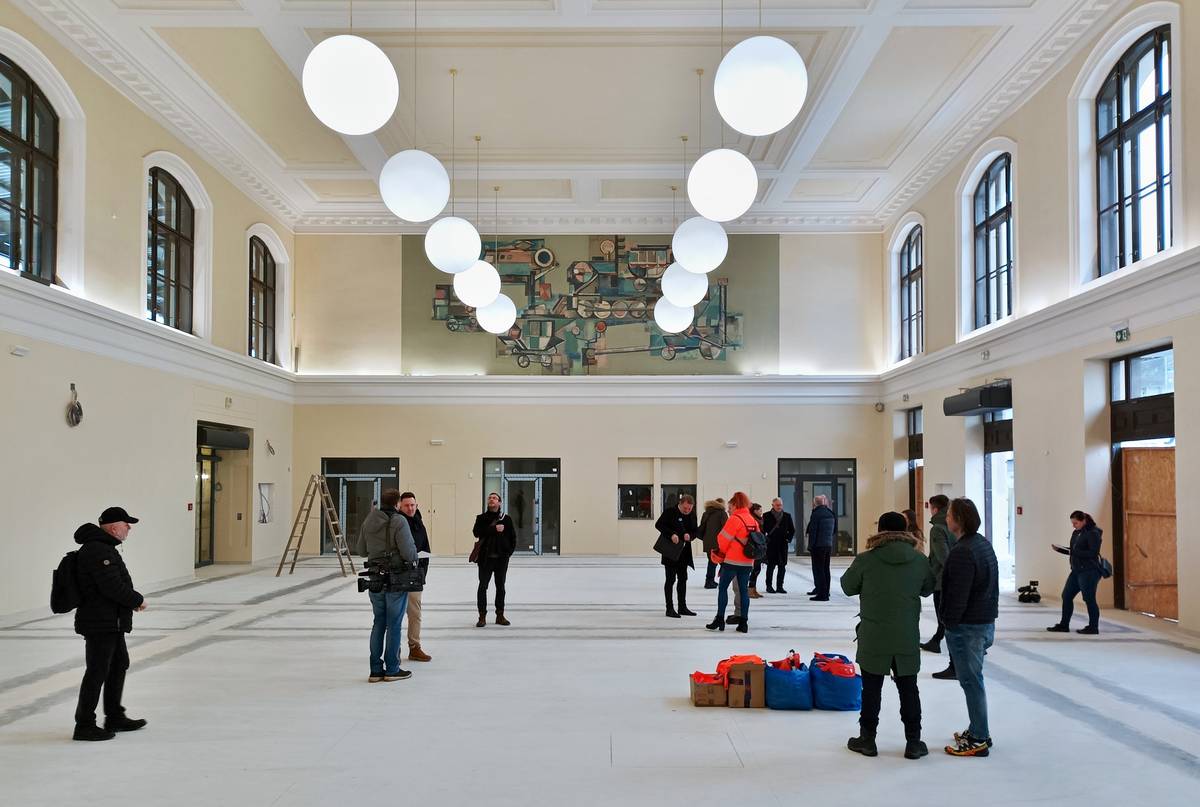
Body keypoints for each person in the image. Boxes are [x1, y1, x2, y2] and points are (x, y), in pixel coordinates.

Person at [841, 512, 935, 760]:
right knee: (909, 688)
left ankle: (867, 740)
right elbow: (928, 588)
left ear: (880, 530)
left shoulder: (866, 559)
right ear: (905, 531)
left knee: (871, 689)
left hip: (874, 635)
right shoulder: (919, 559)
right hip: (906, 635)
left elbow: (847, 586)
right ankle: (913, 742)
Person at [72, 507, 148, 741]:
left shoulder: (104, 548)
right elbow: (111, 586)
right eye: (126, 524)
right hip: (100, 622)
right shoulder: (98, 550)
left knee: (118, 665)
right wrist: (136, 600)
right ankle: (84, 724)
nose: (129, 528)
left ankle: (115, 716)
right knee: (97, 671)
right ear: (114, 527)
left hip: (110, 621)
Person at [940, 497, 999, 757]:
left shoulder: (963, 551)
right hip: (983, 621)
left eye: (949, 515)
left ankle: (978, 738)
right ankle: (978, 729)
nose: (946, 518)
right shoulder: (981, 544)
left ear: (959, 519)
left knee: (971, 681)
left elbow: (958, 593)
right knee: (973, 680)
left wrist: (949, 622)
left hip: (968, 627)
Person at [361, 489, 418, 683]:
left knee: (379, 622)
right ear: (397, 504)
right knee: (394, 624)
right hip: (395, 579)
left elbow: (361, 550)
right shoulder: (399, 521)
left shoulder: (369, 520)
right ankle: (392, 669)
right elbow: (409, 553)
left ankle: (375, 670)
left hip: (374, 578)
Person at [1047, 511, 1104, 635]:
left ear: (1084, 521)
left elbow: (1092, 553)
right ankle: (1064, 625)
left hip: (1089, 571)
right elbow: (1073, 551)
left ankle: (1093, 627)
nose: (1073, 525)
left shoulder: (1093, 533)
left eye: (1076, 523)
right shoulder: (1076, 532)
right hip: (1076, 570)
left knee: (1089, 599)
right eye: (1072, 523)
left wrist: (1073, 552)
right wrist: (1060, 549)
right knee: (1066, 596)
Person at [706, 492, 756, 634]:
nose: (729, 509)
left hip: (732, 561)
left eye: (730, 506)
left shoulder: (734, 519)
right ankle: (743, 622)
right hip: (747, 562)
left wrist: (720, 554)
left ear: (735, 505)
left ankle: (719, 619)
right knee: (743, 591)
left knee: (722, 588)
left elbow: (722, 539)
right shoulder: (751, 519)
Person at [922, 496, 957, 672]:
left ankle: (942, 646)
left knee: (942, 614)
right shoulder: (956, 523)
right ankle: (936, 639)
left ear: (935, 509)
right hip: (955, 577)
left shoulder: (937, 528)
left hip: (943, 579)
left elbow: (943, 556)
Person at [473, 492, 516, 627]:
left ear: (499, 502)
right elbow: (476, 532)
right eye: (490, 498)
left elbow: (513, 538)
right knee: (482, 587)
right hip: (485, 559)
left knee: (500, 587)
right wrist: (493, 529)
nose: (491, 500)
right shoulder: (481, 518)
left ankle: (500, 615)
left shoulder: (506, 519)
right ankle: (482, 616)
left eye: (495, 498)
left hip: (501, 560)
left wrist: (508, 553)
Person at [398, 492, 432, 662]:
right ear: (400, 506)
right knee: (395, 614)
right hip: (398, 575)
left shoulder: (419, 524)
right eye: (407, 505)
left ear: (416, 506)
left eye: (413, 505)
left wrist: (422, 572)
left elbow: (426, 549)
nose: (410, 508)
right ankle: (394, 649)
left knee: (415, 613)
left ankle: (414, 647)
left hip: (414, 576)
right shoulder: (396, 523)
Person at [655, 494, 699, 618]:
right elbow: (659, 525)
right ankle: (669, 608)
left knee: (683, 579)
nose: (687, 511)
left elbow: (695, 531)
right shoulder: (670, 512)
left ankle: (682, 607)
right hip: (670, 551)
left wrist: (690, 536)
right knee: (670, 580)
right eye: (685, 508)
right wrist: (671, 534)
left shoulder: (692, 514)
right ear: (680, 504)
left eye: (689, 508)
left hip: (684, 552)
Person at [806, 495, 837, 601]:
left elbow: (813, 531)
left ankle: (822, 594)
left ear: (815, 503)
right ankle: (826, 591)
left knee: (819, 569)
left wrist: (811, 546)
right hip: (828, 545)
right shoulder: (830, 513)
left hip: (818, 546)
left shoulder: (816, 514)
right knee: (825, 569)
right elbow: (834, 530)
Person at [762, 498, 796, 594]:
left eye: (780, 505)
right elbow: (762, 530)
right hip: (771, 545)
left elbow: (792, 530)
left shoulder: (787, 516)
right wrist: (765, 540)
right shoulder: (766, 515)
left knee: (782, 567)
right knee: (770, 566)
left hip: (782, 545)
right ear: (772, 505)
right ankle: (769, 586)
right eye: (777, 505)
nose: (779, 507)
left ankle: (780, 586)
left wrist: (788, 539)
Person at [698, 497, 727, 589]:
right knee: (724, 563)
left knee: (712, 562)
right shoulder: (722, 513)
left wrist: (705, 539)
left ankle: (709, 581)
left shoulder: (706, 513)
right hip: (718, 542)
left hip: (708, 542)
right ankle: (721, 581)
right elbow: (726, 528)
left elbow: (702, 527)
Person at [747, 502, 765, 598]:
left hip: (759, 546)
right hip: (755, 547)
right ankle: (750, 589)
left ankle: (753, 589)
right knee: (755, 569)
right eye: (760, 510)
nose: (761, 512)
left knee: (757, 569)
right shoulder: (753, 520)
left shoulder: (759, 519)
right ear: (755, 511)